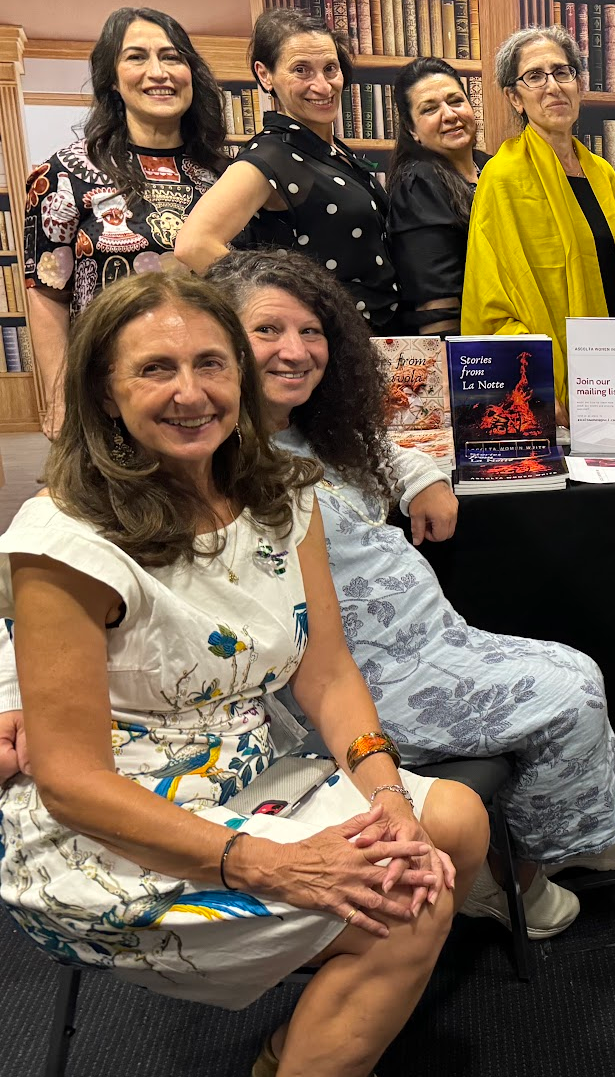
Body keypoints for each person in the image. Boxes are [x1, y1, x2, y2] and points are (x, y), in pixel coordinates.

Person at [0, 271, 489, 1077]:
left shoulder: (279, 494)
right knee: (407, 910)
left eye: (211, 363)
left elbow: (327, 674)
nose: (191, 393)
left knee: (456, 820)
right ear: (105, 391)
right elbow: (71, 783)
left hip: (249, 773)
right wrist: (272, 865)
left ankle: (297, 1046)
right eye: (155, 369)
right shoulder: (64, 537)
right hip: (111, 834)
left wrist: (389, 796)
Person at [202, 247, 615, 938]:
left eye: (311, 331)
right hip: (357, 680)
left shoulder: (312, 431)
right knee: (571, 688)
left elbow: (390, 451)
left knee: (574, 669)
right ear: (221, 338)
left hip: (432, 643)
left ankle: (578, 833)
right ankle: (508, 878)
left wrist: (424, 479)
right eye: (268, 330)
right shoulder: (210, 457)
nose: (295, 349)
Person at [23, 6, 226, 439]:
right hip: (109, 394)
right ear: (112, 80)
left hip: (209, 389)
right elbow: (45, 294)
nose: (158, 71)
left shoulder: (226, 177)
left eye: (172, 57)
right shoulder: (64, 173)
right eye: (136, 57)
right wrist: (61, 398)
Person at [176, 8, 399, 330]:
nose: (322, 86)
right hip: (327, 344)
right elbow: (193, 244)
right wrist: (277, 309)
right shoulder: (271, 155)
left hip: (371, 339)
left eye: (330, 69)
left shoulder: (330, 151)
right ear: (265, 75)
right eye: (301, 70)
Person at [463, 25, 615, 420]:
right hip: (547, 387)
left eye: (562, 72)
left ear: (579, 86)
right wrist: (536, 382)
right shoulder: (502, 178)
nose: (552, 86)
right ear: (514, 98)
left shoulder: (603, 174)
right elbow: (491, 302)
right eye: (535, 76)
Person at [386, 57, 491, 336]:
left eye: (455, 101)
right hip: (469, 352)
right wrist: (453, 368)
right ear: (412, 130)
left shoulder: (495, 168)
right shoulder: (419, 183)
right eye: (430, 109)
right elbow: (435, 297)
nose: (449, 115)